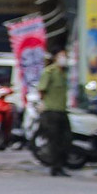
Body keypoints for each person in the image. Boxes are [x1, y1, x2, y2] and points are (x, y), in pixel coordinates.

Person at [38, 47, 71, 176]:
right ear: (56, 58)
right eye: (62, 56)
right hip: (51, 112)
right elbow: (42, 90)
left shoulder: (64, 73)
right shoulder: (49, 72)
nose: (64, 58)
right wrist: (44, 104)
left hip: (62, 110)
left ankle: (61, 165)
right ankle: (55, 167)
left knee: (66, 139)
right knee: (54, 140)